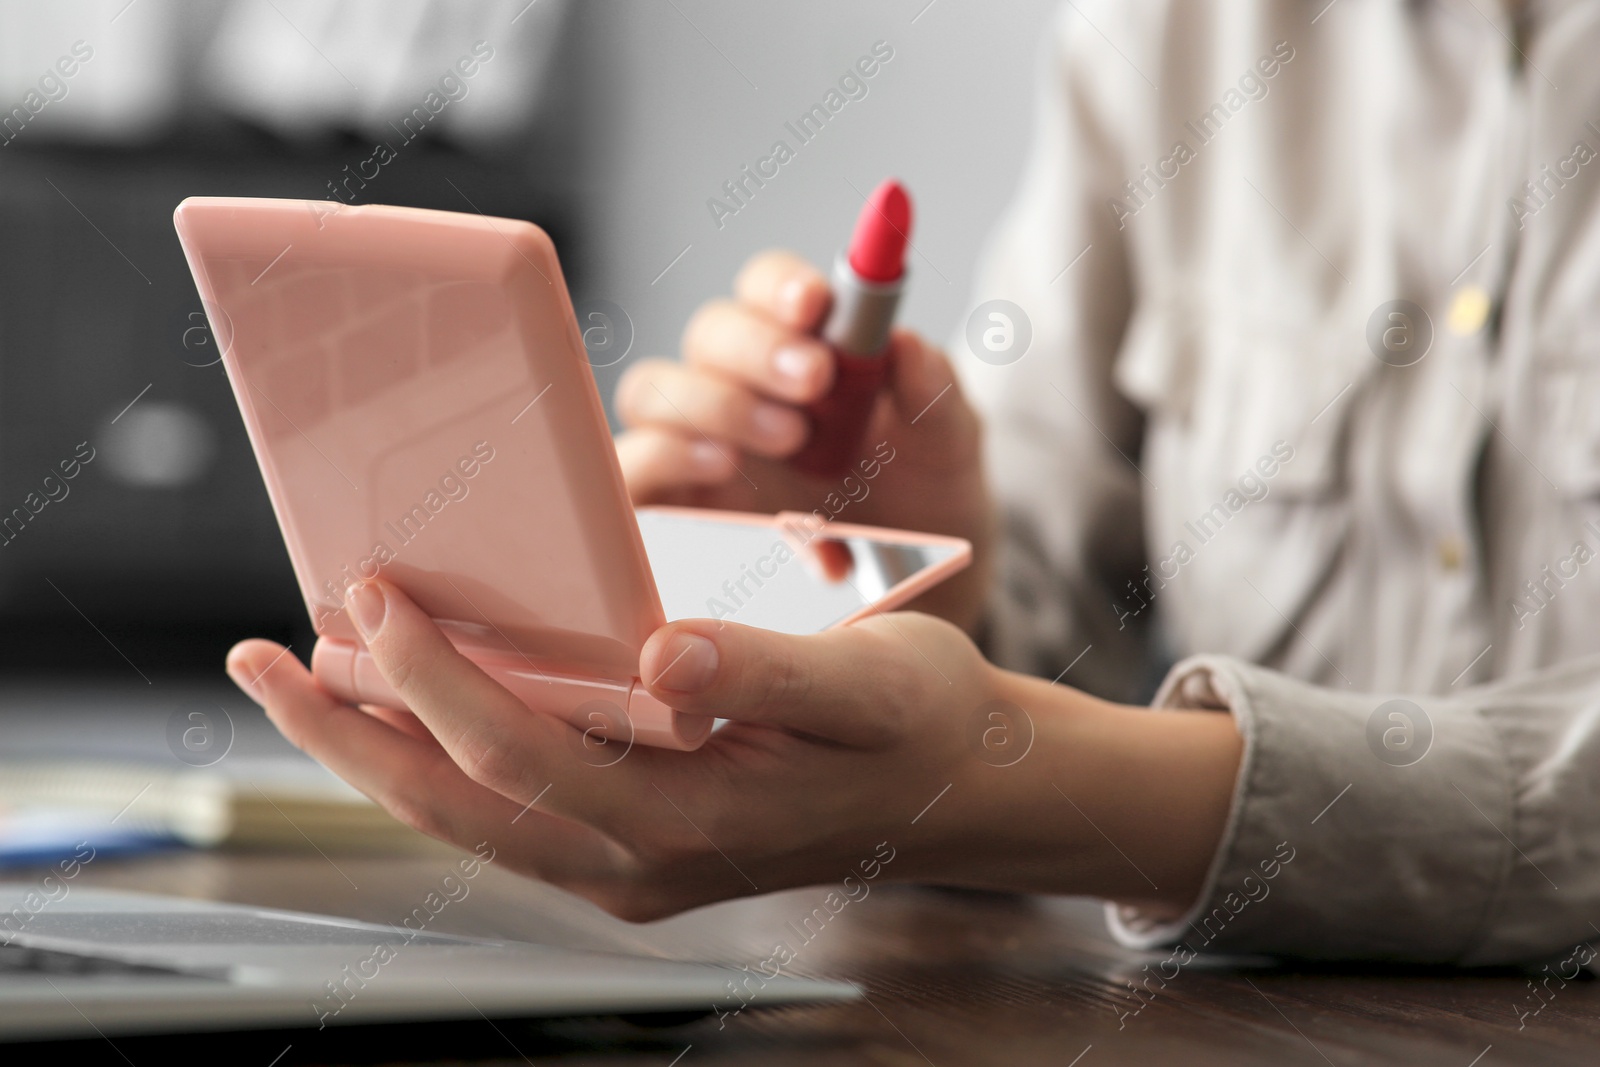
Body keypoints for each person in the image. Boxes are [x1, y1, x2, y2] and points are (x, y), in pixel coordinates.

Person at [225, 0, 1600, 965]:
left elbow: (1040, 762)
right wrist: (899, 568)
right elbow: (1048, 656)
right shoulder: (1168, 35)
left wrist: (1028, 789)